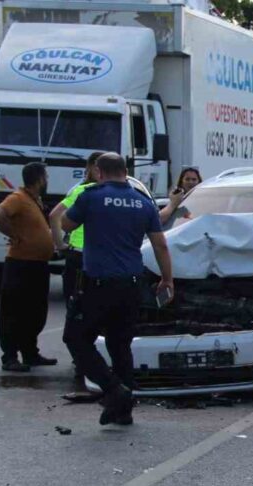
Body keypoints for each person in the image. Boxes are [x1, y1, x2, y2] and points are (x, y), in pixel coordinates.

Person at [63, 153, 174, 425]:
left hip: (98, 285)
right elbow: (160, 244)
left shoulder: (91, 196)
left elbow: (66, 224)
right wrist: (167, 280)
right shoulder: (144, 202)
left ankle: (114, 390)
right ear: (126, 171)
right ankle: (123, 412)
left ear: (99, 171)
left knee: (76, 338)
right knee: (120, 346)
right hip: (131, 286)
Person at [0, 162, 56, 372]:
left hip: (38, 265)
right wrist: (15, 235)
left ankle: (30, 353)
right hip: (20, 264)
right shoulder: (18, 198)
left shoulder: (34, 200)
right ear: (38, 179)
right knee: (14, 312)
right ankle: (9, 357)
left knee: (35, 312)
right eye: (45, 177)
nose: (47, 181)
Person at [50, 151, 103, 380]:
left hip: (81, 257)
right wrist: (60, 243)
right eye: (98, 168)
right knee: (85, 310)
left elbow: (54, 216)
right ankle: (85, 359)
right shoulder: (82, 191)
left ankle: (84, 357)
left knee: (81, 310)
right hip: (86, 257)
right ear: (90, 168)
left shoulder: (87, 191)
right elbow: (55, 215)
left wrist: (60, 244)